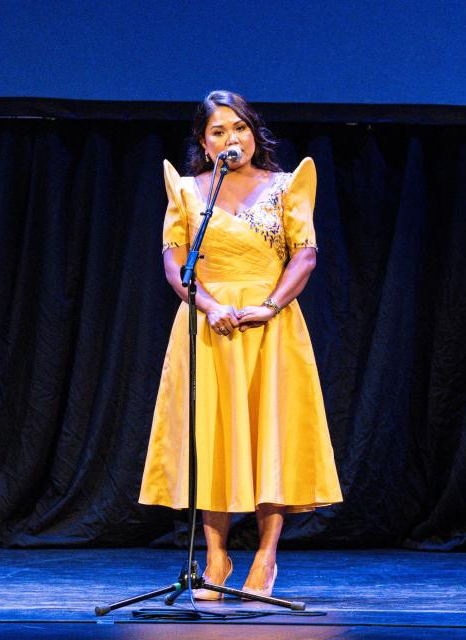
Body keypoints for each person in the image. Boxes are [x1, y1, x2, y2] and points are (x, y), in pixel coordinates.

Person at [139, 90, 342, 600]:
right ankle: (215, 556)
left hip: (269, 327)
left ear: (255, 132)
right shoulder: (187, 193)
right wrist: (208, 305)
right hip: (211, 325)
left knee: (269, 438)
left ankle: (267, 556)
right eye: (219, 132)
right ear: (204, 144)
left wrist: (269, 305)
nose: (233, 139)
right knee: (214, 439)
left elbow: (306, 255)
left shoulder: (285, 185)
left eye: (241, 128)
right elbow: (174, 262)